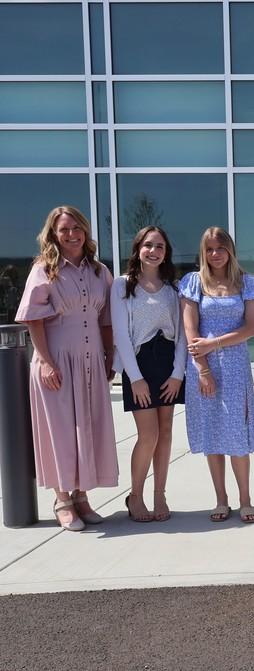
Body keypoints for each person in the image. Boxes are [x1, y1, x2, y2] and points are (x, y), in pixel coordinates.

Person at [16, 206, 118, 531]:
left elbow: (106, 320)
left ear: (85, 230)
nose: (71, 234)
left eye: (76, 227)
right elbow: (33, 319)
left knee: (88, 426)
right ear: (53, 235)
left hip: (91, 360)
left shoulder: (100, 271)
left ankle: (82, 495)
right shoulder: (44, 269)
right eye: (63, 229)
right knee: (59, 430)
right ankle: (62, 498)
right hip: (57, 358)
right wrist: (45, 361)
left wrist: (108, 356)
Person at [180, 227, 254, 523]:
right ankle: (221, 499)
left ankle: (245, 499)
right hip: (202, 364)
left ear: (230, 250)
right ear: (203, 252)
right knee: (213, 431)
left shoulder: (247, 283)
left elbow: (251, 328)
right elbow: (190, 330)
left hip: (236, 364)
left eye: (220, 248)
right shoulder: (193, 282)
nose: (215, 255)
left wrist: (214, 343)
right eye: (210, 249)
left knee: (236, 431)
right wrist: (202, 369)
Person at [111, 226, 187, 523]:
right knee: (149, 434)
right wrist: (135, 377)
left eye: (160, 247)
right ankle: (136, 495)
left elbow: (182, 335)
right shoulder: (122, 285)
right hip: (139, 364)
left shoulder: (175, 287)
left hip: (167, 364)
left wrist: (178, 374)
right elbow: (120, 334)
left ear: (166, 252)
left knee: (166, 432)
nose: (153, 251)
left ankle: (159, 494)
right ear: (138, 249)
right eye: (148, 245)